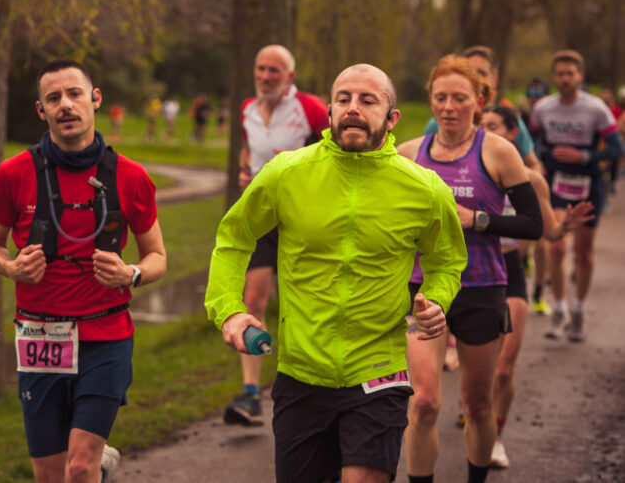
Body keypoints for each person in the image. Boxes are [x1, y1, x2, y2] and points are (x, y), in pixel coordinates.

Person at [207, 63, 467, 483]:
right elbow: (234, 238)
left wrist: (437, 299)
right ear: (329, 111)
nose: (353, 108)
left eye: (368, 100)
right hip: (301, 371)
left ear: (392, 117)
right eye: (343, 99)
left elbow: (447, 260)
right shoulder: (287, 173)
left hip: (379, 369)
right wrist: (228, 309)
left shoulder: (425, 189)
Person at [0, 59, 167, 483]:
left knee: (77, 468)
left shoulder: (131, 177)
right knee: (51, 477)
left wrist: (131, 274)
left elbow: (157, 256)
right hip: (40, 337)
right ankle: (100, 467)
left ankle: (92, 465)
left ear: (95, 99)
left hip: (106, 337)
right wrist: (11, 268)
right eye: (53, 98)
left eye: (74, 94)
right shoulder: (14, 173)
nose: (65, 105)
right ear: (40, 110)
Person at [398, 55, 543, 483]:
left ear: (479, 101)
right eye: (440, 97)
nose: (448, 106)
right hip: (423, 290)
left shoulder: (498, 151)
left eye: (459, 98)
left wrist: (477, 219)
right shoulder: (408, 154)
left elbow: (531, 224)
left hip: (481, 287)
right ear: (430, 100)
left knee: (478, 406)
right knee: (423, 401)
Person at [479, 105, 593, 469]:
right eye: (481, 126)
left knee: (504, 368)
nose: (485, 132)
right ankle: (477, 421)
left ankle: (496, 437)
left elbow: (548, 232)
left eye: (493, 126)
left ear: (514, 134)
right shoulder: (468, 171)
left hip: (510, 273)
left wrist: (565, 228)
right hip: (471, 275)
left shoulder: (531, 179)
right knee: (476, 377)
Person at [223, 44, 328, 426]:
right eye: (261, 68)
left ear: (290, 78)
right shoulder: (248, 108)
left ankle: (314, 386)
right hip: (262, 217)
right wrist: (244, 172)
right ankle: (251, 395)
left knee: (306, 303)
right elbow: (250, 151)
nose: (266, 75)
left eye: (275, 70)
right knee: (253, 299)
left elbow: (339, 152)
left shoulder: (311, 109)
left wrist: (303, 170)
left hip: (304, 219)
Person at [530, 50, 624, 342]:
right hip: (555, 184)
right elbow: (533, 139)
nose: (565, 79)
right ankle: (559, 309)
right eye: (560, 74)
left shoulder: (595, 109)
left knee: (583, 253)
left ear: (580, 76)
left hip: (587, 185)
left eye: (570, 73)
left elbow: (617, 149)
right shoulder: (544, 107)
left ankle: (579, 310)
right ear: (555, 77)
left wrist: (584, 155)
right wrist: (537, 161)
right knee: (556, 247)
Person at [423, 46, 543, 172]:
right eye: (469, 71)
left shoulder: (511, 121)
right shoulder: (437, 123)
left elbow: (535, 166)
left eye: (482, 73)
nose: (476, 78)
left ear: (494, 81)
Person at [521, 78, 552, 314]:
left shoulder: (552, 120)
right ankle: (522, 268)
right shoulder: (520, 121)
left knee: (544, 243)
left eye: (539, 93)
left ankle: (539, 293)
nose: (534, 97)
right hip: (519, 185)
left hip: (545, 183)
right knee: (521, 247)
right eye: (531, 92)